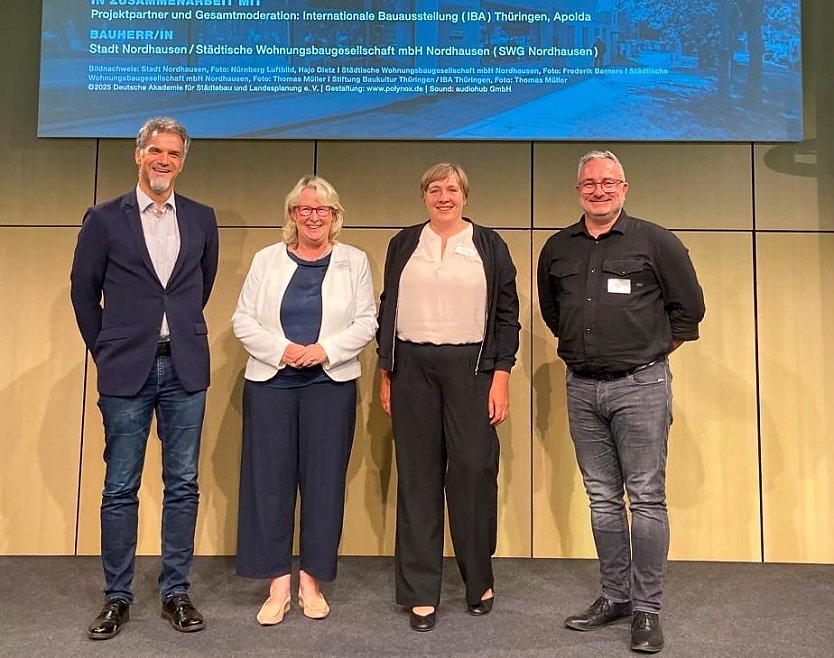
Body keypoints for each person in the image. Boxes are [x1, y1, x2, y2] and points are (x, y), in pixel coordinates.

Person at [537, 150, 705, 653]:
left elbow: (689, 312)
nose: (599, 190)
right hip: (582, 387)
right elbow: (553, 311)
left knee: (647, 497)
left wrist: (645, 353)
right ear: (578, 190)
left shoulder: (656, 241)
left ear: (625, 188)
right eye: (589, 183)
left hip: (642, 386)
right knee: (602, 497)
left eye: (608, 182)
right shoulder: (558, 247)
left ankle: (647, 608)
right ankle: (615, 596)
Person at [70, 117, 218, 639]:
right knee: (120, 487)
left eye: (174, 154)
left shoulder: (201, 218)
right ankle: (118, 597)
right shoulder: (104, 218)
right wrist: (106, 349)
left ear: (182, 161)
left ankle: (176, 591)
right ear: (138, 155)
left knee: (182, 485)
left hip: (184, 367)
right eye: (155, 151)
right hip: (126, 368)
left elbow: (200, 288)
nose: (164, 160)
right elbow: (83, 294)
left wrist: (172, 334)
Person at [376, 163, 520, 632]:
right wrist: (386, 371)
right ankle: (421, 592)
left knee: (474, 471)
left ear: (465, 195)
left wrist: (501, 376)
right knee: (417, 478)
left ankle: (478, 579)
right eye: (435, 189)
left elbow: (506, 316)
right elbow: (387, 311)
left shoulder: (489, 245)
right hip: (412, 368)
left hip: (473, 369)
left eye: (452, 189)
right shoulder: (403, 244)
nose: (444, 196)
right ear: (424, 196)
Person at [232, 175, 376, 626]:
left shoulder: (354, 261)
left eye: (323, 210)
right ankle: (278, 586)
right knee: (268, 485)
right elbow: (242, 320)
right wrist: (284, 350)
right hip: (271, 383)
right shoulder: (266, 259)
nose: (314, 216)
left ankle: (311, 582)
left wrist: (324, 350)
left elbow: (367, 320)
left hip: (328, 385)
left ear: (335, 217)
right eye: (305, 209)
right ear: (292, 215)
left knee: (323, 484)